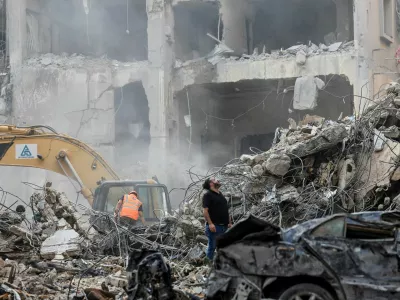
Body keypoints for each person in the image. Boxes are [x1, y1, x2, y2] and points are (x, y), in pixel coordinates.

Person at [202, 178, 232, 260]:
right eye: (214, 179)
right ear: (210, 184)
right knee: (212, 247)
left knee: (223, 247)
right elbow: (205, 211)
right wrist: (211, 224)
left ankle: (221, 265)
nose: (217, 180)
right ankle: (208, 266)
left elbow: (225, 208)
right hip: (215, 227)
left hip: (224, 226)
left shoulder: (220, 194)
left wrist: (229, 222)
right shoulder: (207, 195)